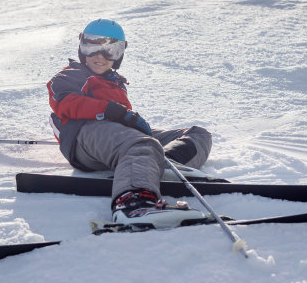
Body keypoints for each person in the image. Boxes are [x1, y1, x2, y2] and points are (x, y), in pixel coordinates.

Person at [47, 18, 213, 228]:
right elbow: (65, 103)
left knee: (197, 134)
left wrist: (127, 121)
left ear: (119, 54)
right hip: (82, 137)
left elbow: (121, 124)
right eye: (92, 47)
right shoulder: (69, 76)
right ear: (82, 48)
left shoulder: (115, 82)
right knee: (141, 145)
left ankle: (159, 165)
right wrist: (110, 110)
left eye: (110, 50)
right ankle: (134, 205)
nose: (100, 56)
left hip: (116, 138)